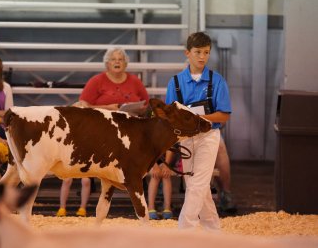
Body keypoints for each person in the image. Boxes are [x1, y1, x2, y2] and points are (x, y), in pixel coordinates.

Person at [56, 46, 149, 217]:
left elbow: (146, 104)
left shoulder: (135, 81)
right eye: (113, 59)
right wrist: (107, 107)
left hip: (130, 130)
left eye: (120, 59)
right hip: (103, 132)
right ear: (107, 63)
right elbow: (82, 104)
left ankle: (139, 201)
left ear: (126, 63)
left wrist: (135, 109)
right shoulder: (97, 81)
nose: (117, 62)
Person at [165, 32, 232, 231]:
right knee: (199, 188)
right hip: (185, 138)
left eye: (206, 52)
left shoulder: (217, 81)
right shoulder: (175, 82)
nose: (202, 56)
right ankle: (214, 233)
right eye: (197, 52)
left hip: (209, 136)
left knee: (197, 184)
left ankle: (184, 234)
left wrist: (197, 118)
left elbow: (224, 115)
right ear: (187, 53)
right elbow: (170, 117)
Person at [215, 136, 237, 213]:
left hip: (205, 131)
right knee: (175, 143)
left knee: (219, 145)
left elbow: (222, 123)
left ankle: (225, 195)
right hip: (178, 130)